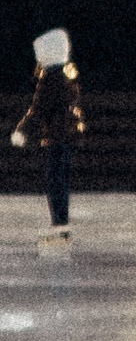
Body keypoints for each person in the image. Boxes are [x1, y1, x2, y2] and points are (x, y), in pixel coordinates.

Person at [13, 28, 84, 248]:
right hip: (67, 137)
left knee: (56, 183)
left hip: (58, 138)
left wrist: (22, 131)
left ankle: (61, 230)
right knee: (59, 181)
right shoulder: (67, 75)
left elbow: (39, 109)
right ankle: (61, 229)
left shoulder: (51, 78)